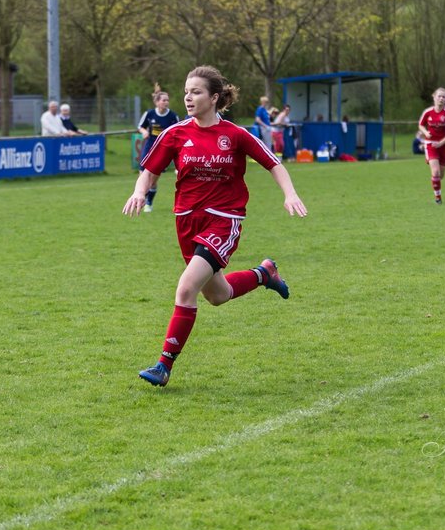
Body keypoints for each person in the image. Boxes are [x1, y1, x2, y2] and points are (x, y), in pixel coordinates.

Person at [123, 65, 308, 387]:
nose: (188, 98)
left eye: (196, 92)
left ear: (214, 97)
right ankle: (265, 273)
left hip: (223, 218)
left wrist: (290, 194)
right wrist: (140, 191)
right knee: (218, 295)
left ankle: (163, 366)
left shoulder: (235, 135)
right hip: (185, 220)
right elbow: (149, 171)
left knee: (185, 289)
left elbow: (273, 163)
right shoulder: (175, 133)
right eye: (186, 92)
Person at [136, 85, 179, 213]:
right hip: (150, 145)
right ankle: (141, 198)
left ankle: (149, 202)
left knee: (153, 180)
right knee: (142, 173)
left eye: (167, 100)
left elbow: (178, 132)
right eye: (163, 100)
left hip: (164, 148)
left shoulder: (172, 116)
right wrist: (143, 131)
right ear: (157, 102)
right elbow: (140, 126)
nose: (166, 102)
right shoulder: (149, 114)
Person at [417, 87, 445, 204]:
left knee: (441, 175)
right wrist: (426, 133)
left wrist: (441, 143)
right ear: (434, 97)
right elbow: (421, 125)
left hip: (444, 146)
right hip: (431, 145)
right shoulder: (428, 112)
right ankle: (438, 198)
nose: (441, 98)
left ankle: (437, 184)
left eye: (443, 97)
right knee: (435, 172)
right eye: (439, 96)